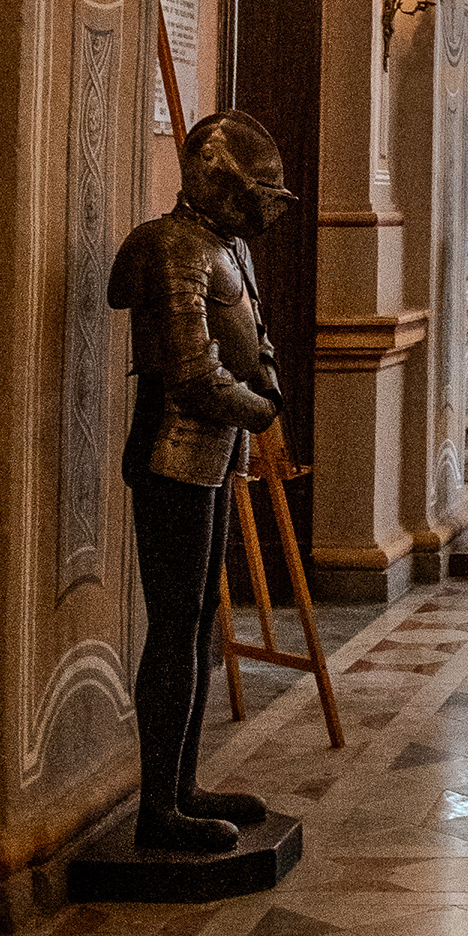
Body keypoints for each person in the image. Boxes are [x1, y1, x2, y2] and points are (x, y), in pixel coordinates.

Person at [106, 109, 290, 856]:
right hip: (175, 451)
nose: (266, 202)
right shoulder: (172, 249)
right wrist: (261, 410)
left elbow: (253, 344)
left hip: (215, 453)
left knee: (201, 623)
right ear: (219, 180)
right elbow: (191, 373)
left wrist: (261, 399)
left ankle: (183, 786)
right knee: (174, 628)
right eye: (257, 187)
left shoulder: (224, 247)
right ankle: (159, 807)